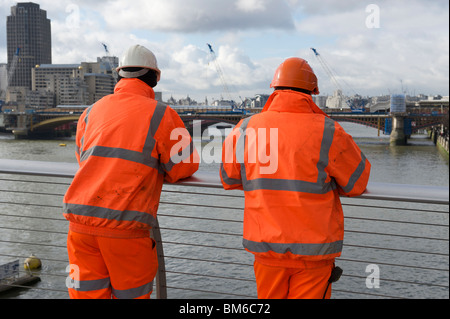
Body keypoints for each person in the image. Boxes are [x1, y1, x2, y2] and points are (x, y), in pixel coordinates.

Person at [220, 57, 371, 299]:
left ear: (274, 90)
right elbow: (357, 183)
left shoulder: (246, 128)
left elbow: (228, 178)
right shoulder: (329, 130)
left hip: (266, 250)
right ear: (312, 92)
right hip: (313, 253)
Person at [63, 44, 199, 299]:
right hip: (125, 229)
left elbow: (82, 158)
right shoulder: (162, 114)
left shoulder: (91, 112)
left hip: (80, 227)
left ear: (120, 76)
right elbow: (185, 166)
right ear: (154, 79)